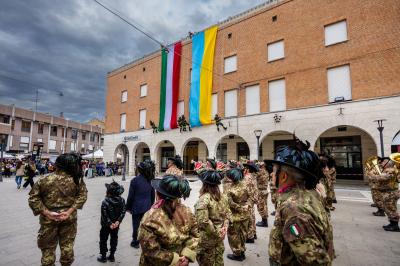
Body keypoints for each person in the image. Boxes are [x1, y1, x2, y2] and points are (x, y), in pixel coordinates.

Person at [266, 138, 334, 265]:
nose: (271, 175)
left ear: (284, 176)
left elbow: (314, 260)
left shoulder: (294, 208)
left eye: (274, 171)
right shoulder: (308, 194)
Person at [28, 152, 88, 266]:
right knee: (67, 246)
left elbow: (33, 198)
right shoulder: (76, 180)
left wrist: (47, 213)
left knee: (48, 249)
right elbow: (82, 196)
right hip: (69, 218)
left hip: (48, 219)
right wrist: (69, 211)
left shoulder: (45, 179)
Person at [138, 175, 199, 266]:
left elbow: (150, 251)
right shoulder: (188, 211)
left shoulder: (150, 218)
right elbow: (195, 235)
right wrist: (186, 257)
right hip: (183, 261)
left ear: (158, 194)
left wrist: (175, 260)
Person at [195, 169, 231, 266]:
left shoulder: (204, 199)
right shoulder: (223, 196)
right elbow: (228, 214)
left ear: (204, 184)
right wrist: (224, 228)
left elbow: (203, 221)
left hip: (207, 240)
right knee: (219, 261)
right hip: (219, 238)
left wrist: (218, 233)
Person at [126, 160, 156, 248]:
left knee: (136, 225)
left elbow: (130, 196)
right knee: (146, 225)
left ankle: (135, 241)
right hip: (147, 206)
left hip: (136, 207)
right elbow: (152, 195)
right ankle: (145, 240)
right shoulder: (150, 180)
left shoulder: (134, 181)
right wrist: (151, 206)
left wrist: (128, 207)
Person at [97, 181, 126, 262]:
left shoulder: (105, 201)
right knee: (114, 239)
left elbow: (104, 215)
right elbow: (123, 212)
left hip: (106, 225)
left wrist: (110, 223)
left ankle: (103, 257)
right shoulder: (122, 200)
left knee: (103, 240)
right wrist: (117, 222)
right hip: (116, 225)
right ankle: (112, 256)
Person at [225, 168, 250, 261]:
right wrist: (246, 206)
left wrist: (239, 208)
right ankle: (242, 251)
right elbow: (251, 197)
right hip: (246, 215)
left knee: (233, 235)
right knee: (243, 234)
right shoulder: (245, 185)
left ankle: (237, 254)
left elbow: (229, 203)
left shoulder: (229, 189)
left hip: (234, 216)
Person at [369, 159, 399, 231]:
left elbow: (382, 178)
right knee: (388, 209)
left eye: (383, 162)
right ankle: (392, 223)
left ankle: (395, 226)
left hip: (390, 193)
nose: (382, 163)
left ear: (387, 164)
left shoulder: (391, 170)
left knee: (391, 209)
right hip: (387, 192)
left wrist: (372, 175)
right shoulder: (387, 170)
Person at [242, 161, 259, 243]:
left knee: (248, 218)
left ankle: (250, 237)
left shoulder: (247, 177)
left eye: (245, 168)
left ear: (248, 169)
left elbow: (245, 190)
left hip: (248, 200)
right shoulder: (253, 176)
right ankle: (254, 233)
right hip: (252, 199)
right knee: (252, 216)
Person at [256, 162, 269, 227]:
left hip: (261, 191)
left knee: (261, 207)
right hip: (265, 190)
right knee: (264, 206)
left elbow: (255, 176)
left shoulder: (260, 172)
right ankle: (264, 221)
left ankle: (264, 222)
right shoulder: (266, 172)